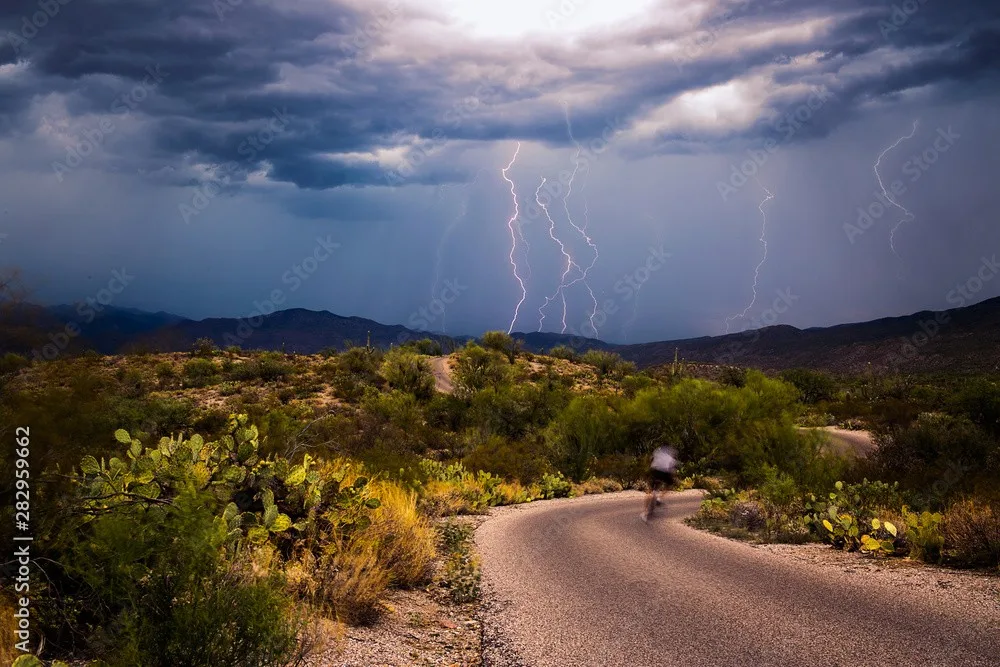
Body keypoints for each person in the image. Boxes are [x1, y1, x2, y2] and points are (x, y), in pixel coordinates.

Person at [641, 445, 678, 522]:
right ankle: (659, 498)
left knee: (651, 491)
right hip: (665, 472)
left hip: (655, 471)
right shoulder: (671, 454)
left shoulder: (657, 451)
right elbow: (672, 468)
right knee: (669, 485)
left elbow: (651, 460)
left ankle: (644, 512)